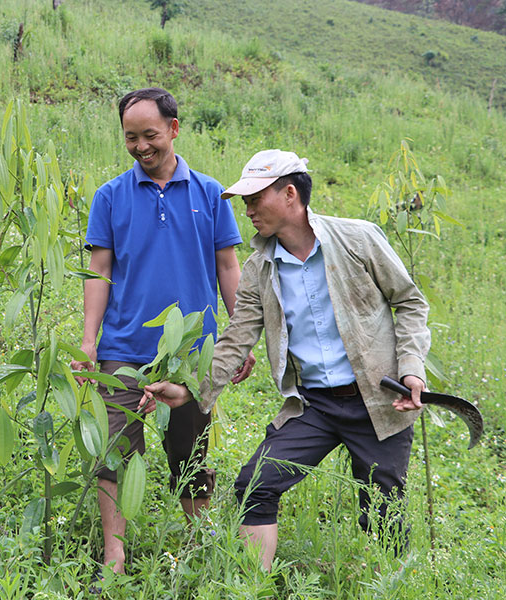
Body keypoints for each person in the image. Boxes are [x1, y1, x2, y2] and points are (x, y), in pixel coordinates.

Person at [140, 149, 430, 570]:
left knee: (384, 512)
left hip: (379, 400)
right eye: (245, 202)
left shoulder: (358, 239)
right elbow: (237, 338)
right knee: (254, 484)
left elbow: (409, 302)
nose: (248, 210)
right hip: (315, 405)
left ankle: (395, 584)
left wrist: (411, 368)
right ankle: (254, 584)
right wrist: (188, 392)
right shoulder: (260, 268)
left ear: (290, 193)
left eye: (256, 199)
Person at [70, 87, 255, 574]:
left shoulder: (211, 193)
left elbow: (228, 268)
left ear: (173, 128)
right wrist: (89, 343)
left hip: (193, 353)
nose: (140, 146)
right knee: (115, 450)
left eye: (149, 135)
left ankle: (198, 542)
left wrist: (237, 336)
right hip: (123, 348)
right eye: (130, 137)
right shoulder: (109, 197)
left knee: (189, 452)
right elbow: (99, 272)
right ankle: (115, 553)